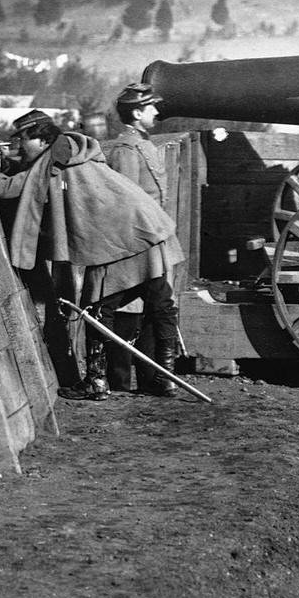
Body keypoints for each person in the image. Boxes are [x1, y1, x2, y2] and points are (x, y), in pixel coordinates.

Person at [0, 109, 184, 401]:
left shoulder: (51, 161)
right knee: (161, 303)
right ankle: (165, 378)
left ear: (42, 139)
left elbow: (11, 189)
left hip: (116, 242)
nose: (21, 146)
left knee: (96, 310)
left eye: (23, 140)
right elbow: (36, 176)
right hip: (145, 228)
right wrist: (8, 162)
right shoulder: (72, 148)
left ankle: (97, 382)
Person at [104, 82, 175, 395]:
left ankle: (156, 378)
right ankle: (118, 380)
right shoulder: (125, 150)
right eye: (151, 108)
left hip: (152, 241)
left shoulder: (142, 144)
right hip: (136, 245)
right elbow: (127, 201)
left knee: (155, 307)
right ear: (136, 113)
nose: (157, 112)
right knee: (121, 308)